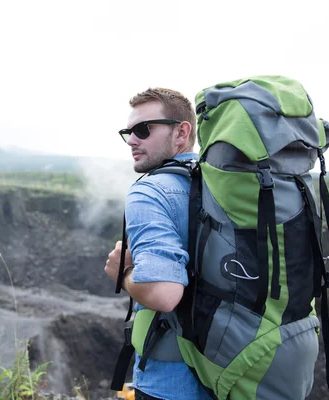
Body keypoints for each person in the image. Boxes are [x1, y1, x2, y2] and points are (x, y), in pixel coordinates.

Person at [104, 88, 210, 400]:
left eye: (143, 130)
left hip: (172, 385)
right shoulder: (222, 188)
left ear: (182, 132)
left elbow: (164, 295)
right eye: (128, 132)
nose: (132, 140)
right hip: (238, 377)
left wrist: (122, 273)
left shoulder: (150, 191)